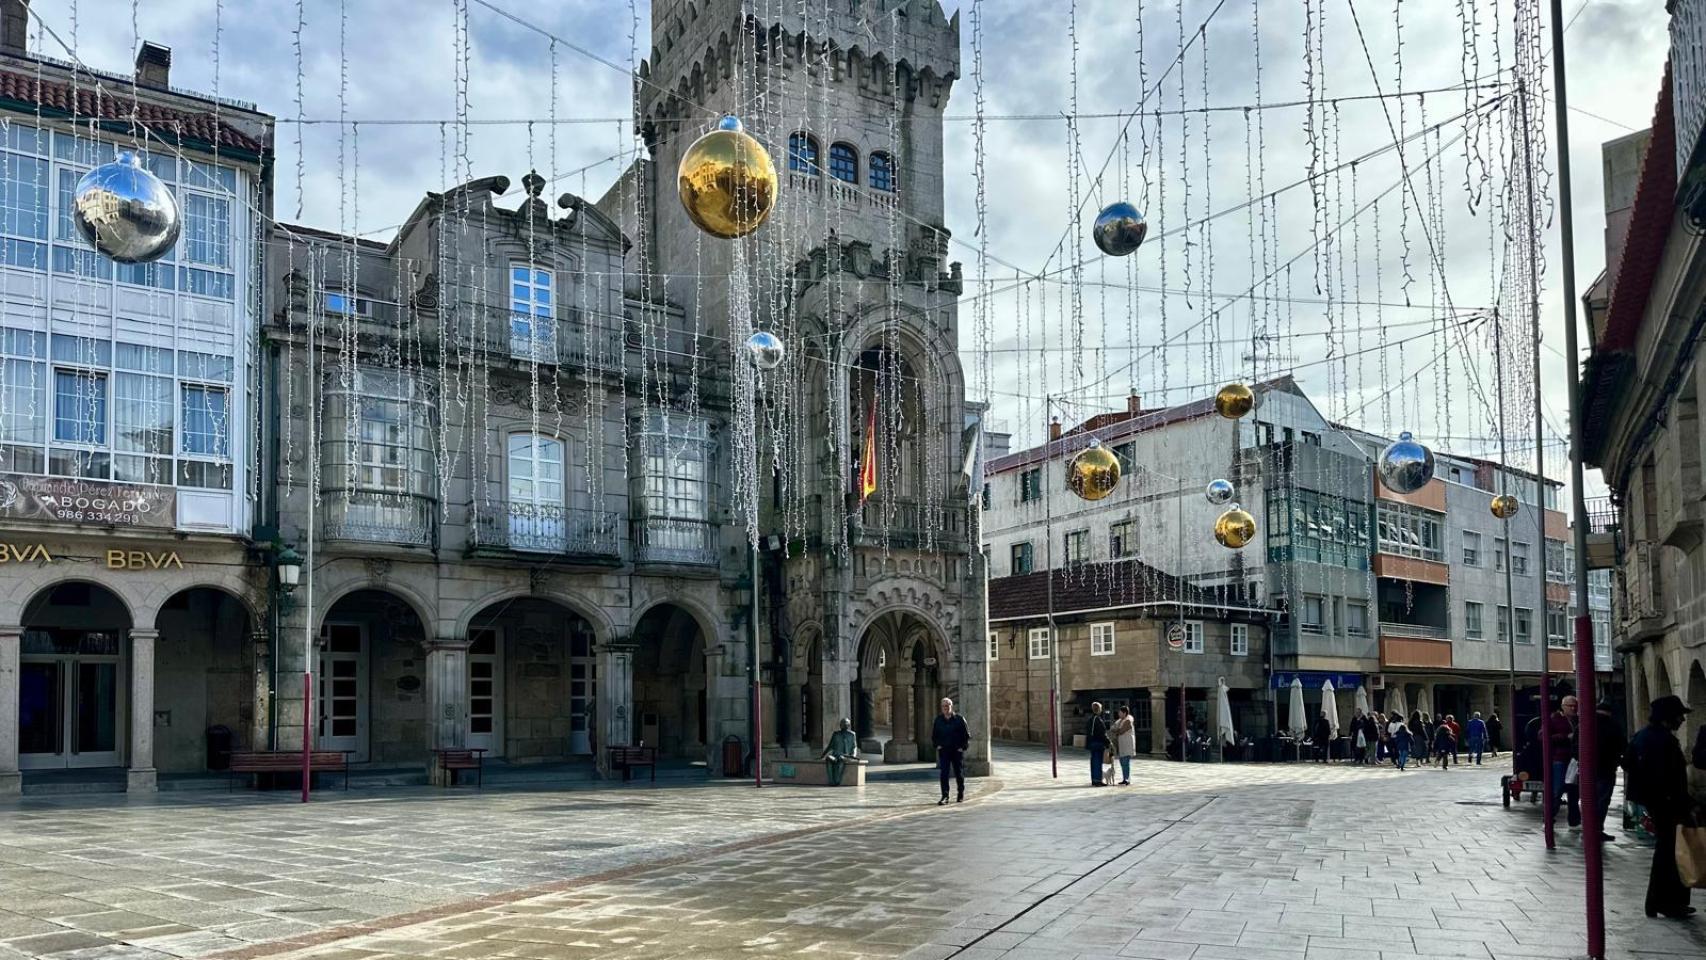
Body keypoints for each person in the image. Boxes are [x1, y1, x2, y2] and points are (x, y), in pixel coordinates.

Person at [1623, 695, 1694, 919]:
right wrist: (1685, 803)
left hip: (1654, 802)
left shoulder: (1642, 736)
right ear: (1668, 717)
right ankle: (1667, 903)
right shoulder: (1664, 741)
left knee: (1666, 853)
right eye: (1679, 715)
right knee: (1671, 854)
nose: (1682, 720)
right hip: (1667, 804)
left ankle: (1659, 902)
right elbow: (1669, 778)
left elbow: (1627, 763)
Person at [1591, 701, 1626, 842]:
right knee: (1602, 800)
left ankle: (1589, 827)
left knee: (1590, 799)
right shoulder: (1613, 726)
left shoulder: (1587, 724)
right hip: (1607, 768)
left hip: (1589, 769)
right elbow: (1623, 746)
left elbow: (1575, 745)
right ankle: (1597, 829)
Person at [1549, 695, 1582, 829]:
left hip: (1575, 760)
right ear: (1563, 706)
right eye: (1570, 705)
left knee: (1574, 790)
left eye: (1575, 705)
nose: (1573, 708)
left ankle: (1574, 819)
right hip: (1561, 759)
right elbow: (1543, 736)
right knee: (1558, 789)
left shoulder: (1578, 720)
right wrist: (1565, 737)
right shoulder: (1556, 719)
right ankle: (1550, 817)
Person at [931, 697, 970, 805]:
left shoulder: (959, 719)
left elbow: (967, 735)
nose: (946, 707)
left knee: (959, 773)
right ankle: (945, 796)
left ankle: (960, 793)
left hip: (957, 750)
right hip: (944, 751)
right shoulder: (938, 720)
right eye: (943, 705)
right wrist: (937, 745)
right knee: (944, 773)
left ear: (951, 706)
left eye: (947, 705)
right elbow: (934, 735)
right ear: (941, 707)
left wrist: (963, 747)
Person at [820, 718, 860, 787]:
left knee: (841, 759)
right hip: (836, 755)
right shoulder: (836, 734)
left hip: (846, 756)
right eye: (842, 723)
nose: (844, 725)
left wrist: (853, 755)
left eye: (846, 723)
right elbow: (830, 746)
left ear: (849, 725)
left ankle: (837, 780)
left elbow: (854, 746)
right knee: (829, 758)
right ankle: (831, 780)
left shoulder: (852, 734)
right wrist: (822, 756)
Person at [1110, 705, 1137, 786]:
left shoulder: (1129, 719)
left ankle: (1127, 779)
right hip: (1121, 744)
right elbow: (1112, 728)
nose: (1119, 714)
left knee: (1125, 762)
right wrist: (1117, 730)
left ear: (1124, 713)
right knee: (1122, 762)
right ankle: (1124, 778)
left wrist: (1117, 730)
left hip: (1127, 743)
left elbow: (1122, 730)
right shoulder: (1119, 720)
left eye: (1120, 712)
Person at [1085, 701, 1110, 786]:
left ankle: (1094, 779)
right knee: (1097, 761)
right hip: (1098, 743)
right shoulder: (1098, 720)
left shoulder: (1090, 719)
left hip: (1091, 742)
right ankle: (1097, 780)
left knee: (1093, 761)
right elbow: (1102, 733)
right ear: (1099, 709)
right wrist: (1108, 742)